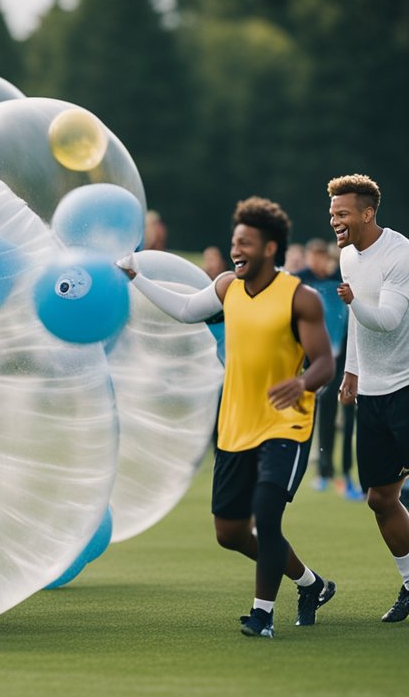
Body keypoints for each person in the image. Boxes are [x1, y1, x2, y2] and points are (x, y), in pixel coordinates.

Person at [119, 196, 336, 638]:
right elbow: (183, 311)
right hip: (236, 426)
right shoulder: (225, 288)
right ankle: (311, 584)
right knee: (230, 532)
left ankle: (262, 615)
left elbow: (324, 363)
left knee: (266, 515)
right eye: (234, 242)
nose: (236, 250)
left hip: (286, 425)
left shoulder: (302, 297)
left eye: (246, 244)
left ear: (270, 248)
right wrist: (137, 277)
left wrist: (302, 383)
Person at [327, 174, 409, 623]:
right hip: (373, 394)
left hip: (407, 387)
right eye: (333, 214)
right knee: (380, 499)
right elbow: (359, 323)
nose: (336, 221)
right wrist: (351, 371)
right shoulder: (346, 257)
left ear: (367, 213)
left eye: (343, 213)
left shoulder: (400, 254)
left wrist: (353, 301)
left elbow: (390, 320)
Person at [298, 238, 358, 497]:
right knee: (320, 413)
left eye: (321, 257)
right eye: (314, 258)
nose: (318, 263)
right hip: (314, 358)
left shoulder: (340, 278)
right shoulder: (302, 280)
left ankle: (346, 472)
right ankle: (324, 471)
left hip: (343, 358)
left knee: (346, 415)